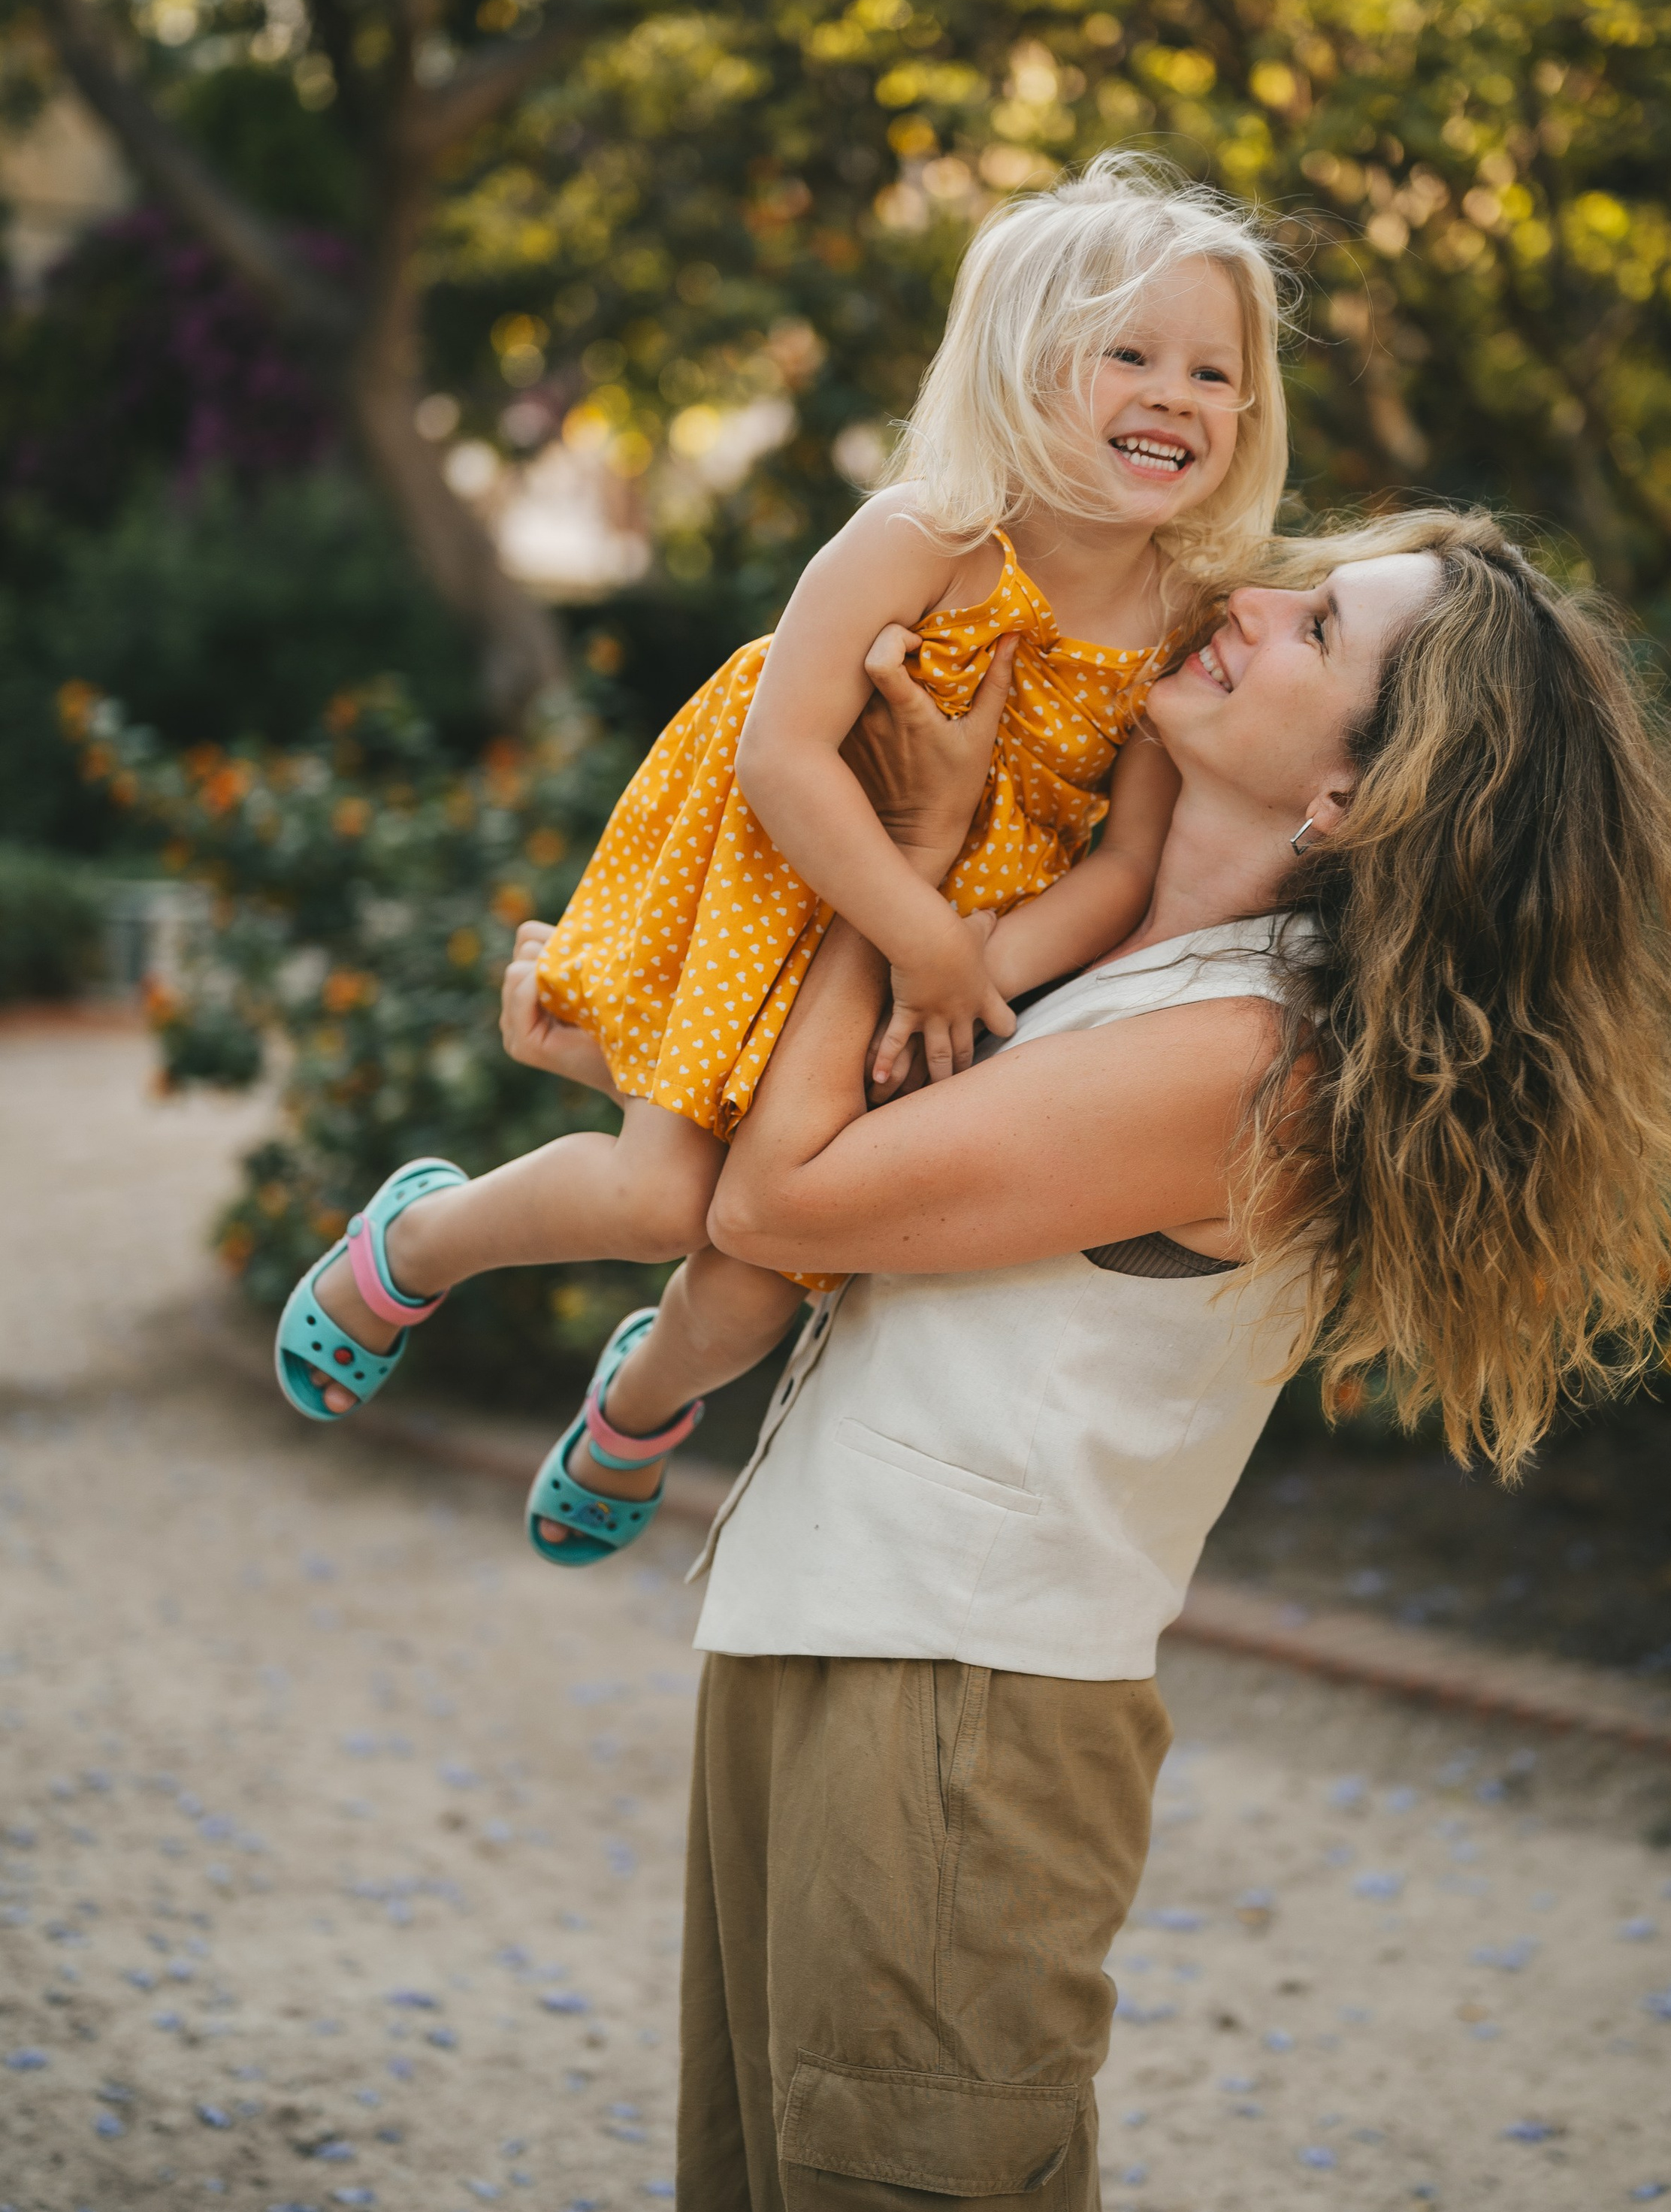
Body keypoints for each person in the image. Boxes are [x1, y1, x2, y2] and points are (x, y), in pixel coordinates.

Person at [523, 507, 1671, 2212]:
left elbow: (783, 1201)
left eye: (1316, 628)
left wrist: (907, 860)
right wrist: (625, 1025)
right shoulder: (1109, 959)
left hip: (954, 1716)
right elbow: (772, 1127)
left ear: (1352, 796)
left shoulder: (1247, 1063)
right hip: (831, 1640)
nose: (1248, 601)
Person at [270, 155, 1294, 1550]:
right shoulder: (930, 534)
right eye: (1130, 355)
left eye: (1214, 373)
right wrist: (920, 937)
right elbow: (782, 755)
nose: (1177, 394)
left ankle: (637, 1408)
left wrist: (975, 967)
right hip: (789, 875)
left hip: (946, 948)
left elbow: (1124, 867)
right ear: (1021, 366)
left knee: (756, 1282)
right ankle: (413, 1242)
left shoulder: (1187, 611)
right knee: (656, 1200)